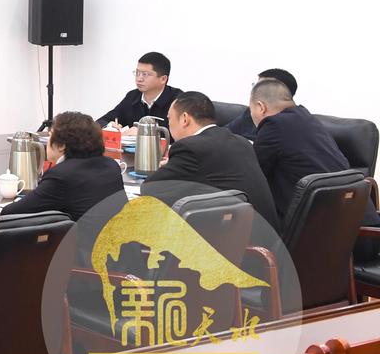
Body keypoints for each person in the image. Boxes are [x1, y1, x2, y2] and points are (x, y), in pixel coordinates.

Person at [142, 91, 280, 235]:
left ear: (184, 119)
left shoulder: (191, 147)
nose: (169, 124)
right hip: (269, 238)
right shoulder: (242, 142)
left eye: (169, 119)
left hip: (239, 243)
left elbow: (150, 188)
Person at [248, 78, 370, 229]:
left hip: (315, 229)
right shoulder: (308, 119)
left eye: (251, 110)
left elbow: (253, 176)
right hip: (353, 222)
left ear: (261, 107)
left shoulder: (273, 125)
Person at [2, 111, 124, 221]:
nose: (47, 141)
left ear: (61, 145)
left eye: (50, 135)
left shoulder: (62, 175)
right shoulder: (111, 166)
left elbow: (11, 212)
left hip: (84, 239)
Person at [98, 52, 182, 129]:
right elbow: (101, 122)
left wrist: (142, 134)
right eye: (137, 73)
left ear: (163, 79)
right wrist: (109, 126)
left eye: (145, 74)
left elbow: (183, 135)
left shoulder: (178, 100)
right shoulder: (132, 96)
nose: (139, 79)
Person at [226, 68, 299, 139]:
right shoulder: (251, 112)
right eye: (256, 86)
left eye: (262, 86)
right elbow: (225, 133)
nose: (256, 91)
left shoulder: (292, 125)